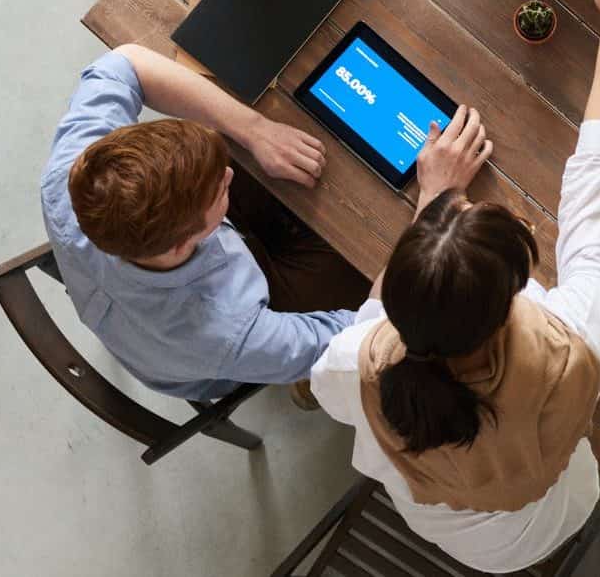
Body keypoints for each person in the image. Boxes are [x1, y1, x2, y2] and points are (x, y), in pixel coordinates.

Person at [311, 0, 600, 572]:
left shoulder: (357, 361)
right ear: (511, 299)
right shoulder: (571, 344)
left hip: (467, 542)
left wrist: (431, 199)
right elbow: (594, 192)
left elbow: (365, 332)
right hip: (546, 519)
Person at [40, 44, 367, 401]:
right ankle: (305, 386)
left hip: (149, 303)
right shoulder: (226, 334)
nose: (228, 174)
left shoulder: (78, 174)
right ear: (182, 244)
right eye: (220, 189)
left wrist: (254, 129)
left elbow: (127, 60)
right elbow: (360, 340)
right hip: (220, 351)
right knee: (373, 269)